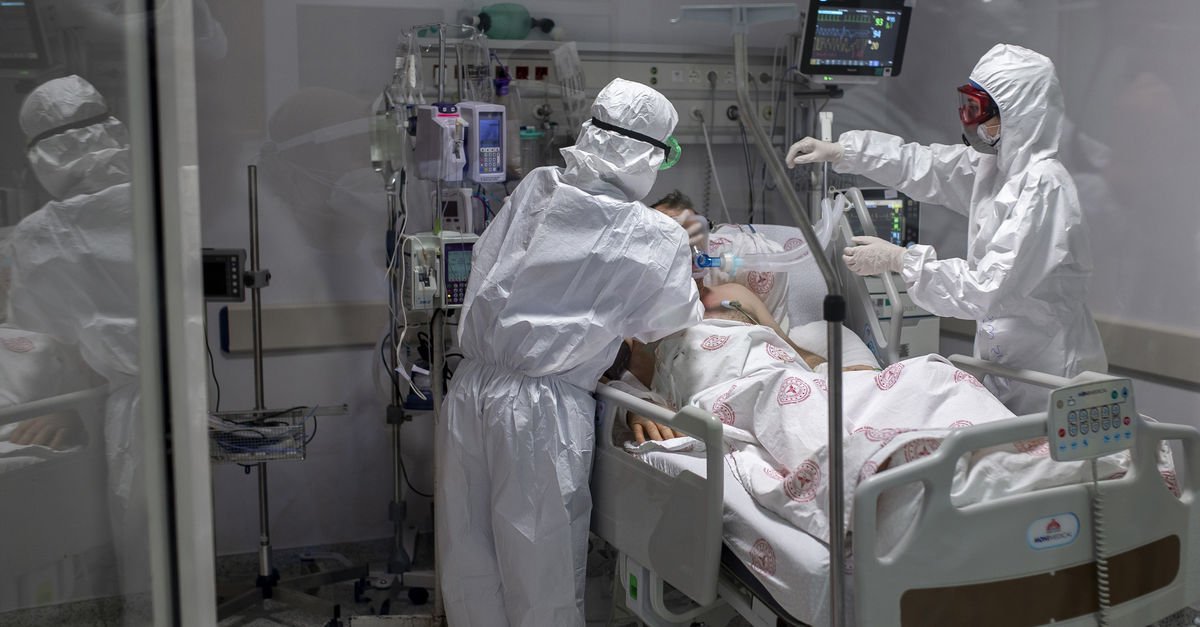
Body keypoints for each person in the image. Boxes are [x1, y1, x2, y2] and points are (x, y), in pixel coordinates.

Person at [436, 77, 704, 626]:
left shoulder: (537, 186)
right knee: (541, 577)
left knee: (471, 562)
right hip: (540, 413)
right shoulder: (656, 236)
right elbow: (671, 323)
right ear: (651, 156)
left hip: (471, 390)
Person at [786, 43, 1107, 415]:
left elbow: (986, 288)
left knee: (1042, 448)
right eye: (964, 105)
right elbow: (924, 166)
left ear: (1017, 115)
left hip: (1049, 373)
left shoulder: (1043, 188)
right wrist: (845, 151)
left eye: (976, 109)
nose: (967, 120)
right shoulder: (997, 168)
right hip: (1007, 363)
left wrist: (901, 260)